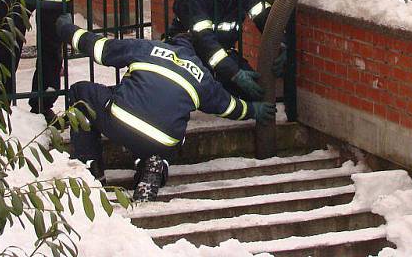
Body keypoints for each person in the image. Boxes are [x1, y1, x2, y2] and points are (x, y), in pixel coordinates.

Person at [54, 14, 277, 201]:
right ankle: (154, 166)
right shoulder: (203, 78)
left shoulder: (148, 48)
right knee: (170, 123)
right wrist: (254, 110)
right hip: (163, 139)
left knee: (80, 92)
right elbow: (228, 106)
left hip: (122, 119)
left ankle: (90, 166)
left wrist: (66, 28)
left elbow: (98, 47)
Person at [168, 0, 286, 101]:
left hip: (224, 55)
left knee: (255, 92)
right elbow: (204, 41)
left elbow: (265, 17)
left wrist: (282, 42)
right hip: (189, 56)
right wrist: (234, 74)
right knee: (206, 98)